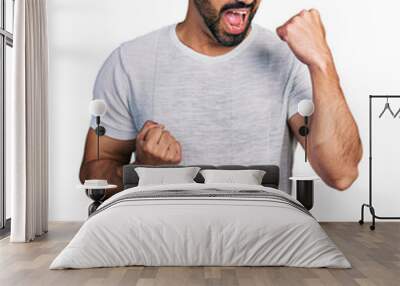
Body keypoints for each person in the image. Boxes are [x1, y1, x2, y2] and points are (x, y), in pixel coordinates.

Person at [80, 0, 362, 198]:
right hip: (162, 252)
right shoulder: (129, 62)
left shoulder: (289, 59)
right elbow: (94, 170)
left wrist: (322, 62)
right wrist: (141, 171)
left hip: (263, 253)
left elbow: (341, 173)